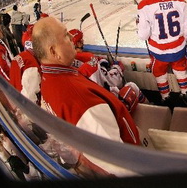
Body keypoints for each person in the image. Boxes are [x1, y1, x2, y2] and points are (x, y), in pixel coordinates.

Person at [31, 16, 141, 176]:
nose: (71, 40)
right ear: (54, 51)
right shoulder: (80, 100)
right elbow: (118, 164)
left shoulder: (48, 79)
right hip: (135, 158)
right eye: (65, 35)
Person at [137, 0, 187, 106]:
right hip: (178, 48)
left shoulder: (144, 5)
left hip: (158, 51)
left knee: (160, 74)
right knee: (180, 71)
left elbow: (143, 35)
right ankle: (186, 94)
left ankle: (165, 97)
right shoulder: (180, 1)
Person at [69, 28, 147, 103]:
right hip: (109, 100)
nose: (83, 41)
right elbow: (113, 82)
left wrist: (102, 63)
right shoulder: (89, 63)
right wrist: (117, 68)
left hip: (94, 99)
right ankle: (149, 106)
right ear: (77, 44)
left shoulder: (69, 64)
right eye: (80, 40)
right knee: (131, 86)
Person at [9, 24, 42, 105]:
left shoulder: (20, 56)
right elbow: (30, 101)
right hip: (24, 109)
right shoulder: (32, 65)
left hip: (14, 101)